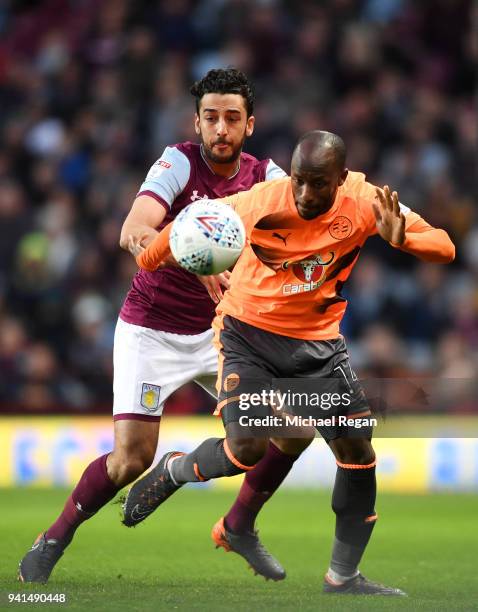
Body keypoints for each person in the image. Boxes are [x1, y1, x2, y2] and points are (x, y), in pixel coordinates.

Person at [18, 68, 313, 584]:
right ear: (196, 123)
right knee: (130, 460)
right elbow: (133, 232)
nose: (221, 129)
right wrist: (201, 264)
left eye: (232, 119)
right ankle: (54, 538)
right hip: (152, 328)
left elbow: (298, 246)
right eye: (211, 118)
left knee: (294, 430)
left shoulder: (268, 180)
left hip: (224, 331)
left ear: (250, 125)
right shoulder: (177, 163)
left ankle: (239, 524)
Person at [133, 130, 455, 596]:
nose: (305, 194)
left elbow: (444, 246)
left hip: (319, 345)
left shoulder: (366, 201)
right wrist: (151, 255)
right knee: (247, 448)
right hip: (248, 334)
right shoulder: (260, 201)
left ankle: (342, 577)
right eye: (300, 181)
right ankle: (175, 470)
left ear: (341, 179)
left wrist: (404, 240)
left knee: (357, 453)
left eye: (318, 184)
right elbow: (177, 232)